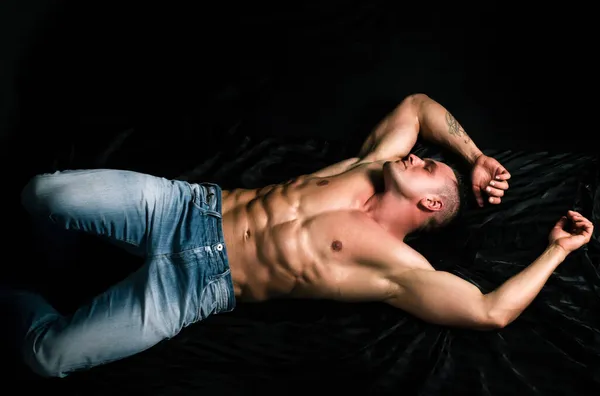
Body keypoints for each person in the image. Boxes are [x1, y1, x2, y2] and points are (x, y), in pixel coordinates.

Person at [4, 93, 593, 378]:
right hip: (182, 210)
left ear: (431, 203)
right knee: (42, 193)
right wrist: (475, 155)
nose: (415, 156)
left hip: (193, 290)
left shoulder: (396, 268)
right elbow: (417, 105)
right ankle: (54, 249)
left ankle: (9, 293)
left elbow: (491, 312)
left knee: (48, 358)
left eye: (427, 166)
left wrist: (557, 249)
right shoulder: (366, 166)